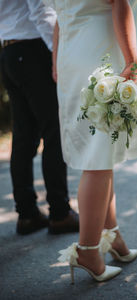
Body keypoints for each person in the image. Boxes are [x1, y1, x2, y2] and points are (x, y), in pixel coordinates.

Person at [44, 0, 137, 282]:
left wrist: (56, 62)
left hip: (70, 53)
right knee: (98, 156)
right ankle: (87, 250)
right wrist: (132, 60)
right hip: (99, 50)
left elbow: (61, 18)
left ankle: (112, 237)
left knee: (101, 152)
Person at [0, 0, 79, 235]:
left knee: (24, 136)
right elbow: (41, 10)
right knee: (54, 131)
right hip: (34, 49)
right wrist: (59, 53)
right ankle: (60, 213)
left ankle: (27, 214)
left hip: (9, 52)